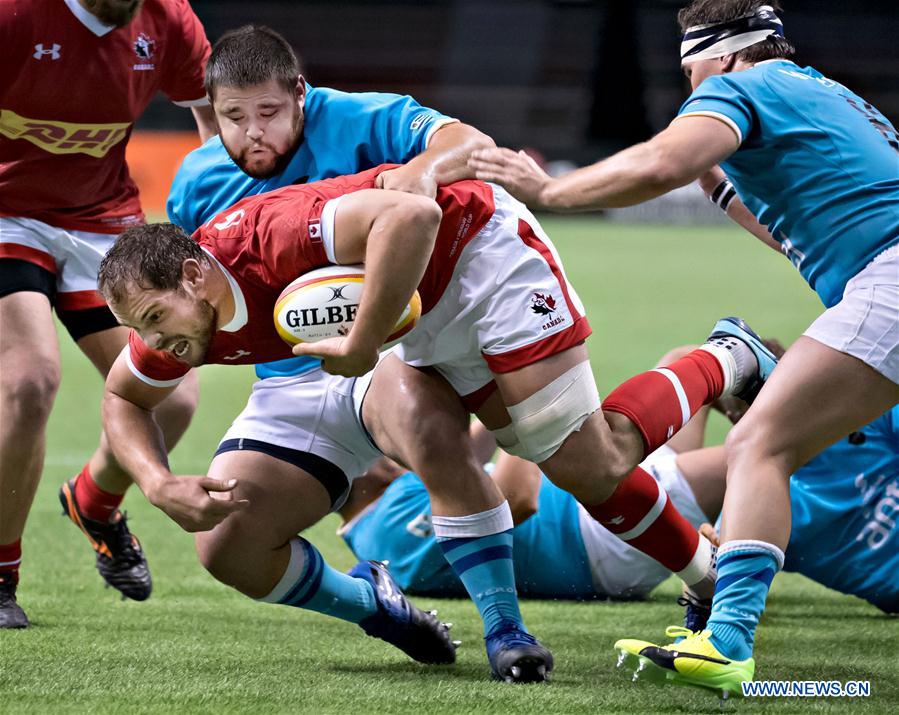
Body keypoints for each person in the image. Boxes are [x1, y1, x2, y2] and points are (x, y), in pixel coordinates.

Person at [468, 0, 899, 695]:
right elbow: (801, 229)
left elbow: (663, 161)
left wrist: (549, 189)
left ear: (720, 56)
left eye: (690, 69)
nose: (690, 87)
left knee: (759, 443)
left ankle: (727, 640)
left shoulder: (741, 85)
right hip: (881, 277)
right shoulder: (817, 89)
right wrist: (724, 194)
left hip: (889, 277)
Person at [156, 26, 557, 683]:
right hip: (287, 379)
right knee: (226, 545)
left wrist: (419, 173)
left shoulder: (356, 117)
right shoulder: (197, 183)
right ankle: (378, 608)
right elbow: (172, 329)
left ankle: (506, 629)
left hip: (387, 348)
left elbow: (469, 144)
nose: (253, 132)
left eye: (268, 113)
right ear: (213, 112)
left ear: (299, 95)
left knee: (433, 435)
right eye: (233, 117)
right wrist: (146, 481)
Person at [0, 0, 216, 628]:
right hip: (6, 213)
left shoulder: (169, 18)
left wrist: (231, 210)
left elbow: (212, 112)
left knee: (172, 395)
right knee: (28, 382)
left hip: (100, 220)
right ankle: (1, 575)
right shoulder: (15, 15)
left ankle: (94, 501)